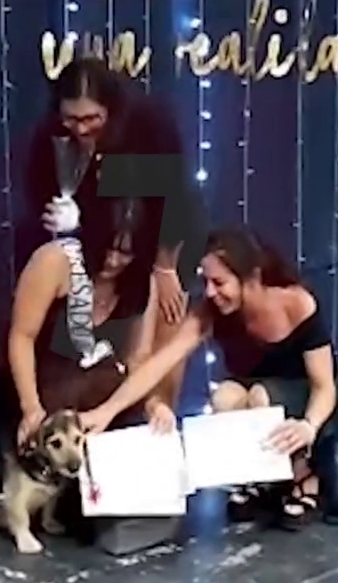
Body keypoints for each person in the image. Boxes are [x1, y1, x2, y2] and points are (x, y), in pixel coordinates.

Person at [80, 228, 338, 527]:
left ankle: (305, 476)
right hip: (264, 389)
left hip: (320, 396)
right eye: (206, 282)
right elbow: (159, 363)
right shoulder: (211, 311)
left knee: (260, 396)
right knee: (224, 397)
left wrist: (309, 426)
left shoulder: (296, 302)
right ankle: (263, 476)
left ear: (251, 278)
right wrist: (106, 411)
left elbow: (324, 386)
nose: (211, 292)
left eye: (219, 282)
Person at [21, 57, 203, 406]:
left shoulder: (148, 121)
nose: (81, 128)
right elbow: (42, 187)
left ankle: (160, 413)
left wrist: (165, 267)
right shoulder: (52, 134)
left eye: (91, 118)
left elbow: (172, 195)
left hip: (166, 229)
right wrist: (65, 215)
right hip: (102, 242)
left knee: (165, 325)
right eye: (72, 118)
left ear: (111, 108)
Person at [9, 199, 173, 446]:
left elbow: (138, 358)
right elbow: (22, 336)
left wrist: (153, 404)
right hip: (50, 404)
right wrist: (31, 408)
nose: (112, 260)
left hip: (107, 409)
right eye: (107, 248)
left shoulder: (142, 284)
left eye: (125, 253)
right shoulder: (55, 262)